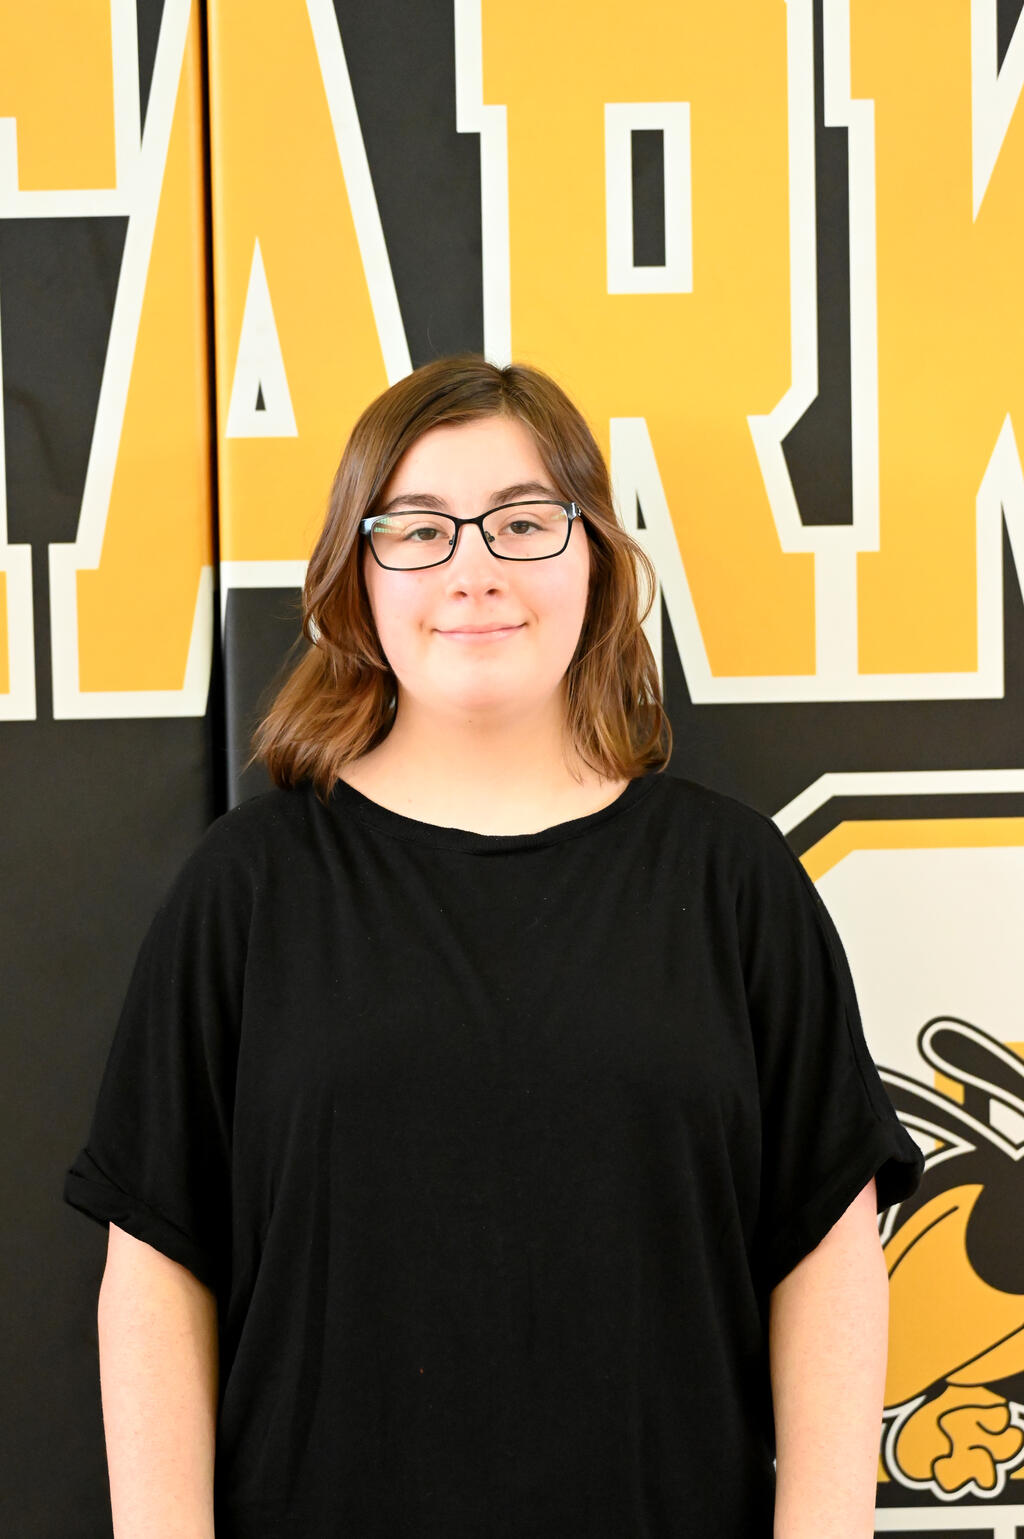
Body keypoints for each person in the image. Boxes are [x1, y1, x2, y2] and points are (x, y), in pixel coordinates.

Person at [64, 353, 924, 1538]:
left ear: (594, 558)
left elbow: (825, 1256)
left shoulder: (731, 882)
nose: (472, 569)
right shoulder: (249, 887)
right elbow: (157, 1268)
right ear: (356, 577)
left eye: (522, 522)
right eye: (417, 530)